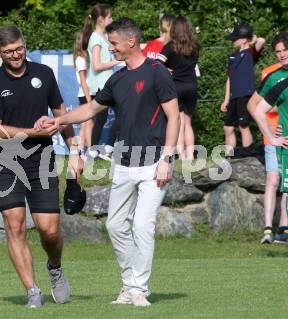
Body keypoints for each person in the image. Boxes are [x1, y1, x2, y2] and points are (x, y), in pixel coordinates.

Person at [35, 17, 180, 306]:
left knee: (142, 225)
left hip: (154, 163)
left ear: (131, 42)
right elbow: (90, 108)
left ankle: (139, 288)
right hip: (123, 163)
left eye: (112, 44)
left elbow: (174, 116)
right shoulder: (117, 78)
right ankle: (128, 284)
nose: (109, 49)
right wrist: (58, 120)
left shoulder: (157, 72)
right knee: (115, 226)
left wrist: (168, 157)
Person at [0, 25, 83, 308]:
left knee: (49, 231)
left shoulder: (44, 74)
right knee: (15, 226)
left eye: (20, 49)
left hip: (41, 160)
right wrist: (33, 132)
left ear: (25, 44)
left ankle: (55, 267)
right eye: (9, 51)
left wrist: (75, 149)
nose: (16, 55)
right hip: (5, 160)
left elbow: (61, 115)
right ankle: (32, 291)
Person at [249, 31, 288, 244]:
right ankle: (267, 228)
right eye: (278, 52)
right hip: (274, 138)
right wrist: (272, 132)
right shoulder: (272, 76)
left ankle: (284, 228)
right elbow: (253, 106)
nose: (281, 55)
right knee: (274, 180)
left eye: (285, 50)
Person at [157, 16, 200, 160]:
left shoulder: (170, 46)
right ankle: (191, 156)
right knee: (188, 122)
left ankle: (181, 156)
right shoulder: (195, 46)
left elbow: (157, 63)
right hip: (192, 86)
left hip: (176, 86)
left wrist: (167, 70)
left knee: (179, 121)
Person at [82, 3, 120, 160]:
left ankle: (95, 151)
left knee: (103, 118)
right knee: (121, 113)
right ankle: (105, 148)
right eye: (110, 17)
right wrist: (116, 62)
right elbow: (97, 65)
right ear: (101, 19)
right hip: (102, 85)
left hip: (107, 83)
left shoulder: (103, 37)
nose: (112, 19)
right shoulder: (96, 38)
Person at [221, 23, 265, 156]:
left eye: (235, 38)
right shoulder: (232, 57)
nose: (233, 41)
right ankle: (229, 155)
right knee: (227, 127)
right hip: (233, 96)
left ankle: (248, 153)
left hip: (245, 95)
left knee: (243, 125)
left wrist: (251, 39)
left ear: (244, 39)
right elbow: (229, 79)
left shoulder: (251, 53)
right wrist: (226, 99)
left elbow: (262, 40)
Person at [73, 31, 94, 157]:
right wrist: (89, 99)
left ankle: (80, 151)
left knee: (86, 123)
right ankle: (90, 150)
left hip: (88, 93)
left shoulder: (86, 57)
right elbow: (82, 81)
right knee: (89, 123)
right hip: (85, 94)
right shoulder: (81, 59)